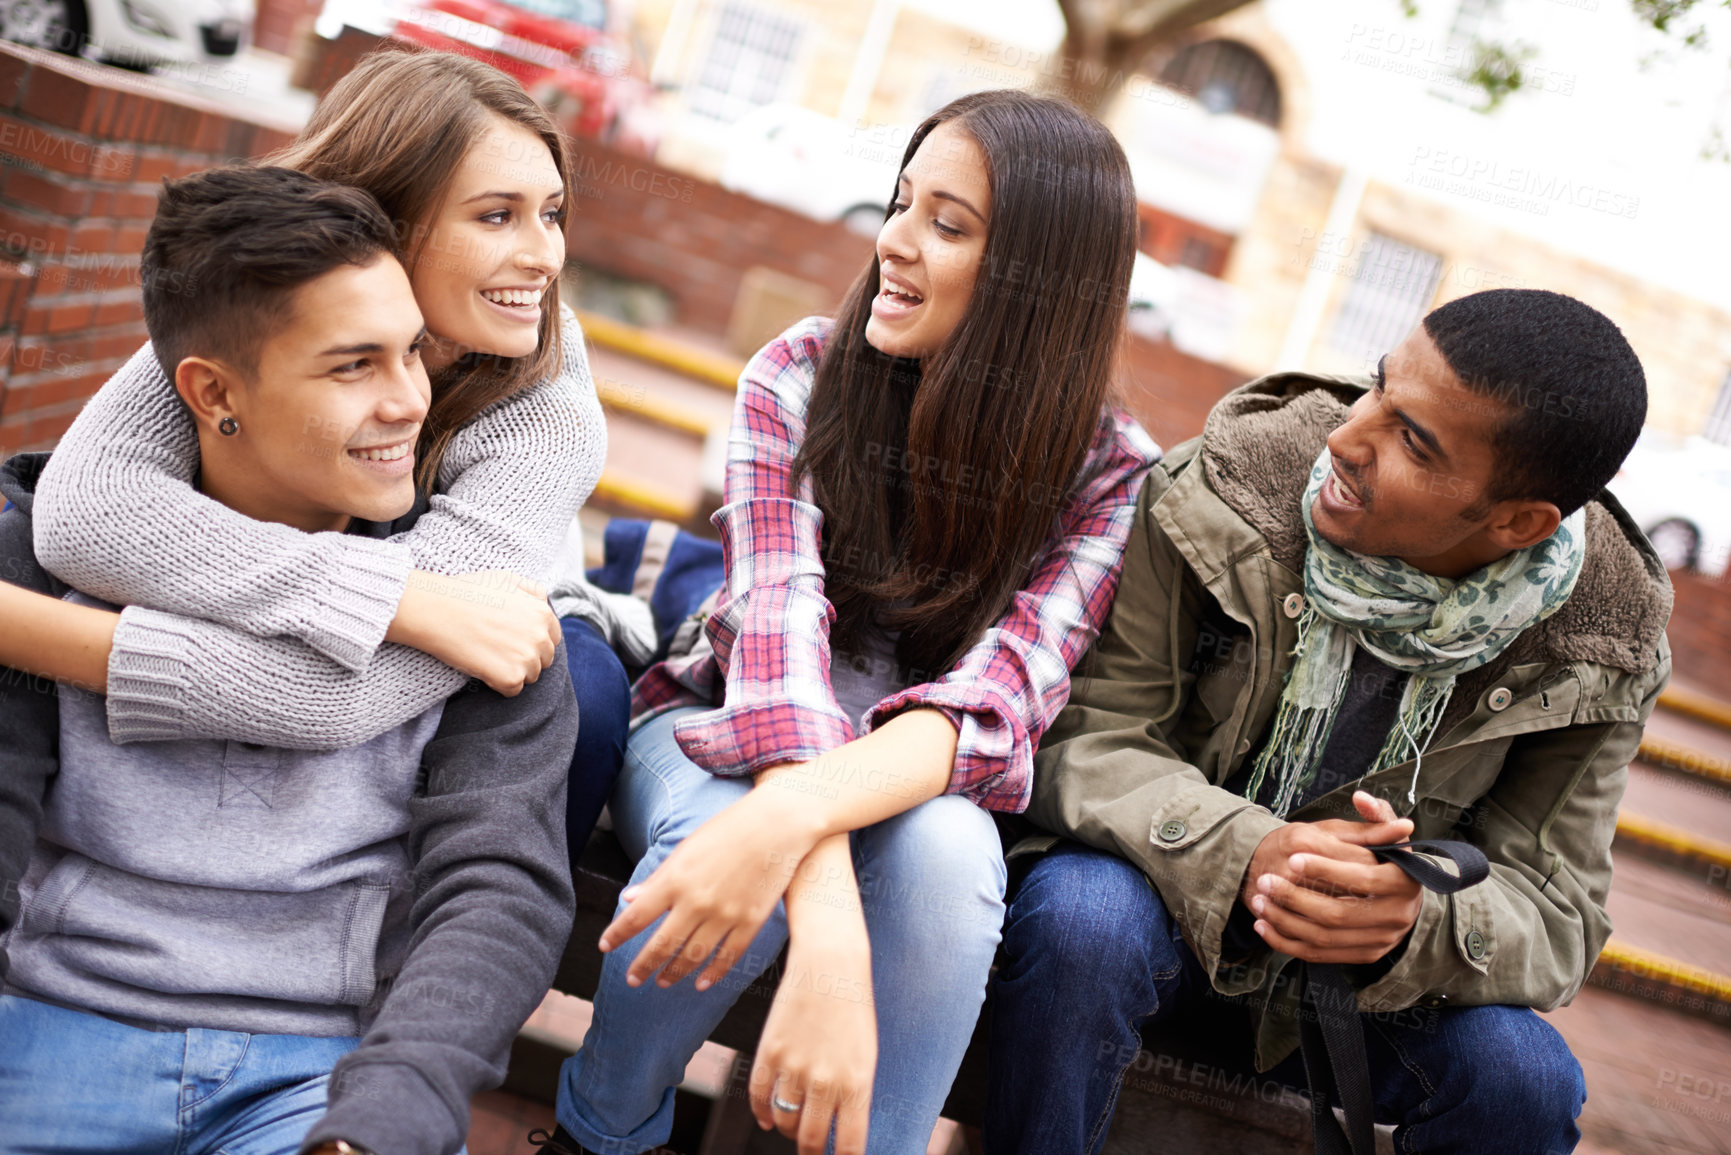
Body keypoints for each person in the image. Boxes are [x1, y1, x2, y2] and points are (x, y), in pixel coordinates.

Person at [539, 89, 1159, 1155]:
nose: (894, 244)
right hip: (712, 730)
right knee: (730, 840)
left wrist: (794, 829)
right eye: (901, 203)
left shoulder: (1110, 473)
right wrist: (822, 917)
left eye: (947, 225)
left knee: (954, 863)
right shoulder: (800, 373)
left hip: (918, 788)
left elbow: (988, 713)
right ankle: (601, 1134)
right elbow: (776, 654)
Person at [987, 288, 1671, 1154]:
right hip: (1153, 922)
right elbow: (1083, 731)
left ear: (1518, 522)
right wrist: (1244, 849)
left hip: (1351, 1002)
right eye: (1376, 390)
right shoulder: (1223, 491)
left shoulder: (1599, 642)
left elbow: (1558, 911)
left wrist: (1411, 921)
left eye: (1411, 440)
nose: (1346, 437)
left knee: (1523, 1081)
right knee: (1085, 916)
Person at [0, 166, 577, 1155]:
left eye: (411, 355)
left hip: (313, 1080)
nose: (408, 402)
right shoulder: (40, 568)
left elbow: (496, 895)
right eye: (354, 366)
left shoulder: (482, 614)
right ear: (214, 393)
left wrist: (386, 1116)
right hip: (41, 1037)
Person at [0, 50, 631, 874]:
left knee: (579, 690)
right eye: (495, 216)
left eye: (550, 212)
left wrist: (21, 629)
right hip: (339, 577)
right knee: (17, 533)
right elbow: (87, 513)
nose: (545, 257)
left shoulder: (548, 413)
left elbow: (331, 697)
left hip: (496, 609)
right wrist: (400, 596)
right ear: (383, 216)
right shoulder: (267, 282)